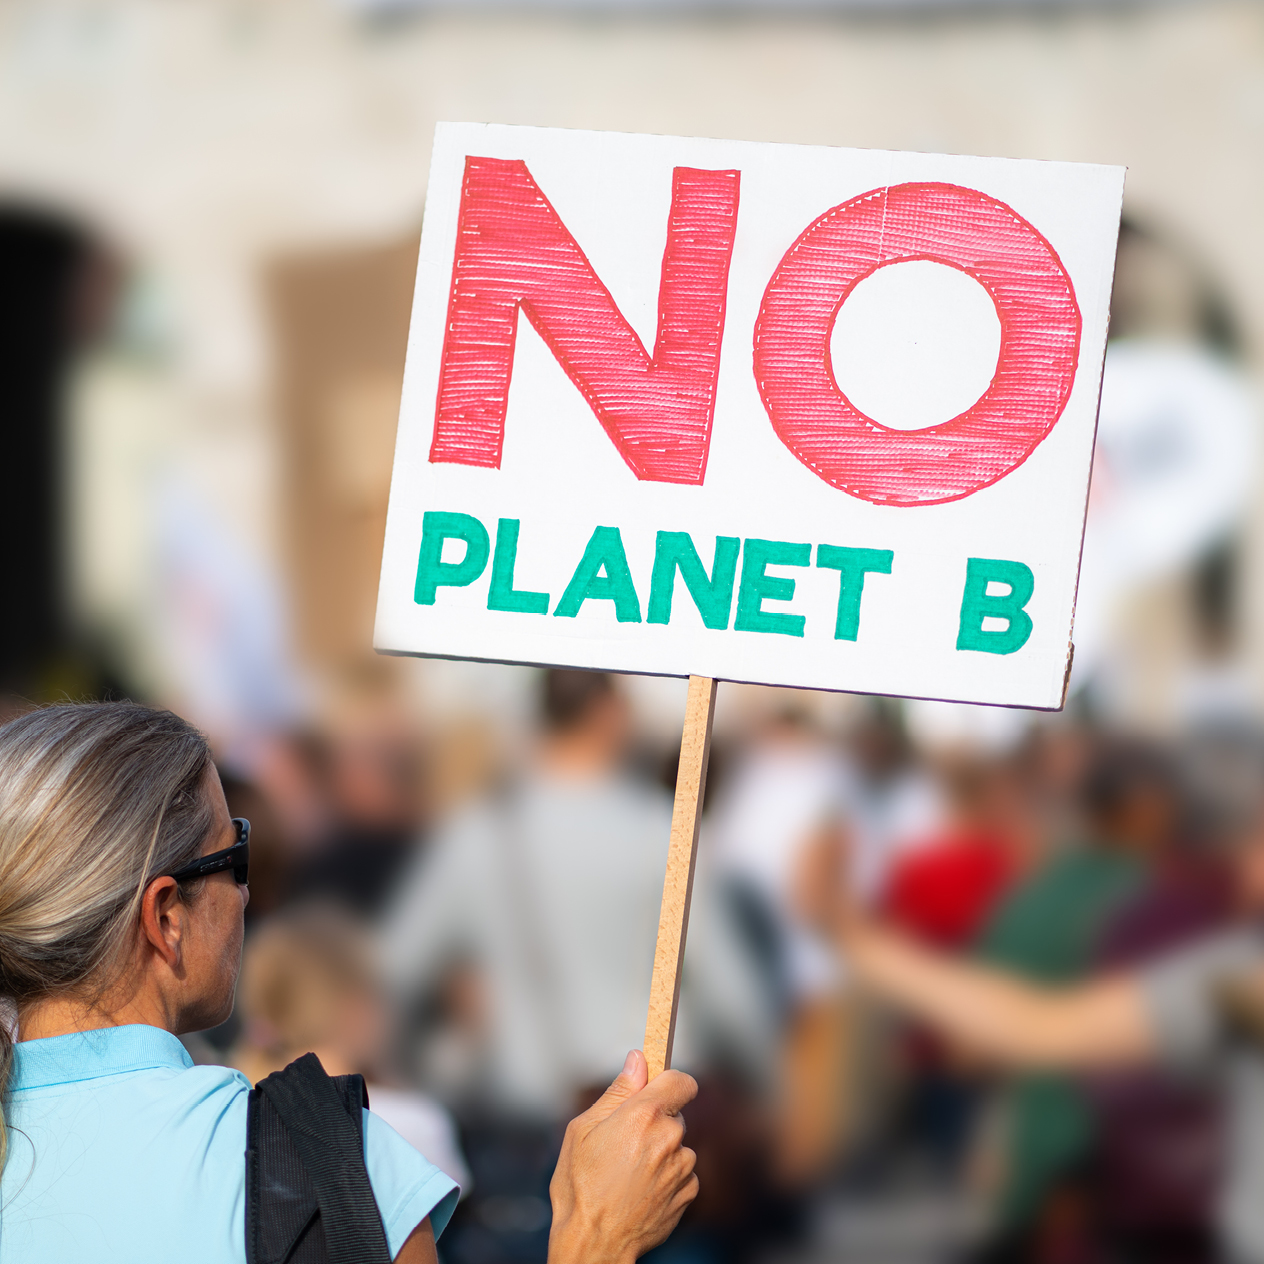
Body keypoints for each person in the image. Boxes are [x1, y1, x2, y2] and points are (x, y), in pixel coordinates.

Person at [0, 701, 700, 1263]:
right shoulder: (327, 1163)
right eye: (236, 853)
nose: (247, 894)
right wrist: (596, 1239)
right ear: (164, 917)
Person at [825, 755, 1264, 1264]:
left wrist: (851, 937)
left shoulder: (1039, 894)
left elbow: (1007, 1038)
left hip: (1070, 1167)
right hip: (1131, 1186)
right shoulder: (1182, 909)